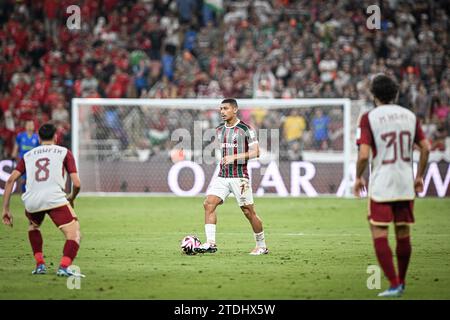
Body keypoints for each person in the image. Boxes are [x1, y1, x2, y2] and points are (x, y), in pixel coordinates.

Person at [354, 74, 430, 297]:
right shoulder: (410, 116)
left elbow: (363, 155)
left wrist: (358, 178)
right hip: (405, 181)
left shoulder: (369, 117)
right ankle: (402, 281)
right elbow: (425, 148)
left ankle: (395, 283)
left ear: (373, 94)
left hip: (382, 182)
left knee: (379, 231)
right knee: (403, 232)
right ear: (395, 93)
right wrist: (419, 176)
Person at [2, 123, 83, 277]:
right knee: (74, 234)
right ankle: (64, 267)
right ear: (56, 137)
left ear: (39, 138)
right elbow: (77, 183)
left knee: (33, 227)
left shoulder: (28, 155)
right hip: (54, 198)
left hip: (32, 201)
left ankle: (40, 265)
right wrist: (71, 197)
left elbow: (10, 180)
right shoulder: (64, 152)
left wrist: (5, 209)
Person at [195, 98, 268, 255]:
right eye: (221, 109)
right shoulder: (219, 130)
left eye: (226, 108)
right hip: (222, 175)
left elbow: (256, 152)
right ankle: (210, 243)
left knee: (248, 212)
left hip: (239, 176)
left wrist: (234, 158)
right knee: (209, 204)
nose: (222, 111)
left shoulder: (246, 129)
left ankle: (261, 245)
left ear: (235, 110)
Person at [12, 120, 40, 192]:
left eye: (31, 125)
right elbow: (16, 146)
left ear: (34, 127)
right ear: (25, 126)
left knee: (31, 178)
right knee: (23, 179)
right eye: (28, 125)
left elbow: (39, 149)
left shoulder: (36, 137)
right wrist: (14, 154)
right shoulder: (20, 136)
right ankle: (23, 193)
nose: (30, 126)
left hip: (33, 161)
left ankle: (31, 193)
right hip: (23, 160)